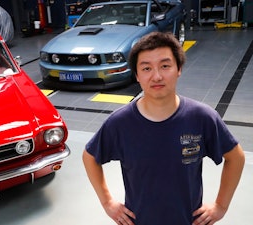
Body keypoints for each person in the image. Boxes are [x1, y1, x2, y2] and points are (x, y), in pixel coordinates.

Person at [82, 32, 245, 225]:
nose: (157, 76)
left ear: (179, 69)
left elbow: (236, 157)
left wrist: (220, 206)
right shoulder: (120, 123)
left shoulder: (202, 117)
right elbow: (90, 157)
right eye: (146, 68)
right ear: (137, 75)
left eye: (165, 66)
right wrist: (107, 202)